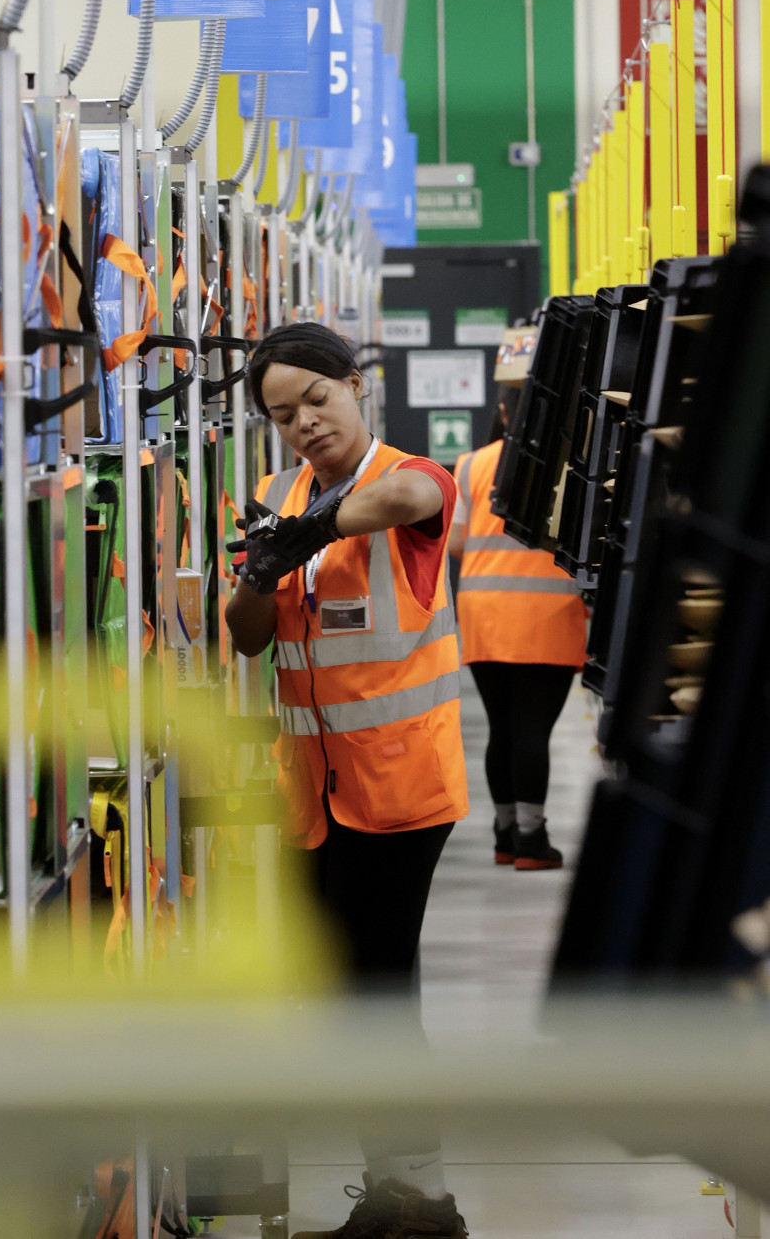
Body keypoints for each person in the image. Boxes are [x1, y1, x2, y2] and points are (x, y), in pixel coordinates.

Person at [225, 321, 468, 1239]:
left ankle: (425, 1202)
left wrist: (310, 528)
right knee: (345, 993)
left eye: (315, 400)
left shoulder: (412, 474)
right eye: (282, 415)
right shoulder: (269, 495)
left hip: (399, 790)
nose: (303, 425)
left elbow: (403, 497)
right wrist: (259, 569)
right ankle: (399, 1189)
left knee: (373, 995)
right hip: (316, 798)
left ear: (356, 384)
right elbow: (248, 634)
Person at [449, 326, 587, 871]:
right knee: (533, 729)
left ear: (505, 413)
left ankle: (504, 832)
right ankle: (532, 838)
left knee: (503, 728)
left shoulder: (472, 464)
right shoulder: (573, 467)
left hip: (483, 613)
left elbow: (457, 541)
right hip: (547, 613)